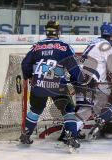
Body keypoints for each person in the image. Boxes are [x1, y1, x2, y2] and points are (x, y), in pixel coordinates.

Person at [20, 20, 85, 149]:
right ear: (58, 32)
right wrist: (77, 80)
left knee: (36, 109)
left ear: (47, 31)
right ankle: (71, 135)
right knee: (68, 110)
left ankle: (26, 134)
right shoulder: (65, 46)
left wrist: (30, 76)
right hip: (57, 86)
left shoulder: (36, 46)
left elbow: (25, 64)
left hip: (38, 85)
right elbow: (73, 68)